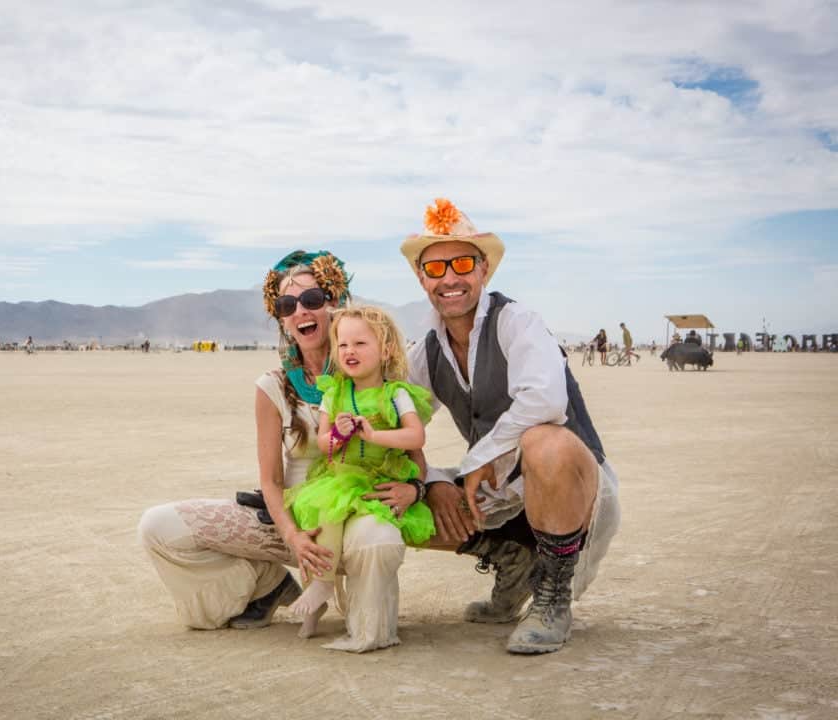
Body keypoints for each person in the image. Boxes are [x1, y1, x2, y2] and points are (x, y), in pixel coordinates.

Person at [138, 251, 417, 652]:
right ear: (282, 319)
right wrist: (293, 537)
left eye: (312, 300)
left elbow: (414, 450)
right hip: (290, 525)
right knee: (158, 526)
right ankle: (269, 585)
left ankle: (360, 616)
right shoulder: (272, 386)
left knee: (377, 542)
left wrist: (415, 490)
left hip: (357, 515)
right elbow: (270, 480)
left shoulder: (371, 375)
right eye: (287, 305)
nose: (300, 311)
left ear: (336, 303)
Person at [401, 198, 621, 654]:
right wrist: (427, 483)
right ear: (421, 279)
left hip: (570, 487)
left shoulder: (517, 322)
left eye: (461, 263)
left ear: (484, 270)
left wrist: (477, 459)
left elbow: (545, 399)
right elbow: (395, 414)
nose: (450, 279)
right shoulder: (427, 350)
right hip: (499, 494)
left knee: (545, 441)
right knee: (393, 494)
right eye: (435, 269)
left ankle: (553, 595)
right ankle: (514, 561)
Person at [284, 304, 435, 639]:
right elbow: (324, 443)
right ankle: (321, 588)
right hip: (340, 475)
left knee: (350, 519)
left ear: (387, 350)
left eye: (360, 344)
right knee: (322, 511)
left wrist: (372, 435)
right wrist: (339, 433)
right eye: (343, 345)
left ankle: (338, 602)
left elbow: (415, 436)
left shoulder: (397, 395)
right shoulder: (334, 393)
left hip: (380, 478)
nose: (349, 351)